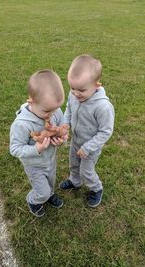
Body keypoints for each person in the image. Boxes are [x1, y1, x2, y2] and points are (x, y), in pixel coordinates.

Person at [10, 69, 68, 217]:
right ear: (31, 102)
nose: (52, 115)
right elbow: (15, 149)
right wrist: (36, 148)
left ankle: (49, 194)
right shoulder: (22, 124)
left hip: (50, 160)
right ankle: (34, 200)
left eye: (56, 109)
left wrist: (62, 139)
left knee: (50, 183)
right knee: (42, 191)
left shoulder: (54, 109)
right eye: (47, 112)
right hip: (34, 165)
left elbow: (62, 126)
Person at [59, 54, 115, 208]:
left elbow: (106, 131)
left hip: (91, 148)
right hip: (76, 141)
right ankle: (75, 181)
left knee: (86, 172)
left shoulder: (102, 107)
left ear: (97, 85)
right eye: (72, 88)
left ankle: (96, 188)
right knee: (73, 165)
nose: (75, 93)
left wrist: (88, 147)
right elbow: (68, 110)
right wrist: (65, 125)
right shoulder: (74, 94)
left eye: (81, 90)